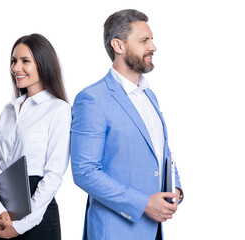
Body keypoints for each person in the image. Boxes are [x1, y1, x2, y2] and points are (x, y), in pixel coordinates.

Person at [70, 9, 184, 239]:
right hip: (114, 231)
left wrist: (176, 188)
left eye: (151, 39)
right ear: (118, 46)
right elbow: (85, 172)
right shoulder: (93, 98)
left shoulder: (150, 96)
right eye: (144, 40)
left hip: (152, 230)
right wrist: (143, 203)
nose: (153, 47)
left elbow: (161, 152)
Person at [0, 33, 71, 240]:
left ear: (43, 63)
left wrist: (22, 225)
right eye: (14, 61)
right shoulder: (8, 110)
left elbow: (54, 174)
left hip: (38, 214)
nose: (16, 68)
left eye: (25, 61)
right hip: (4, 212)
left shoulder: (59, 110)